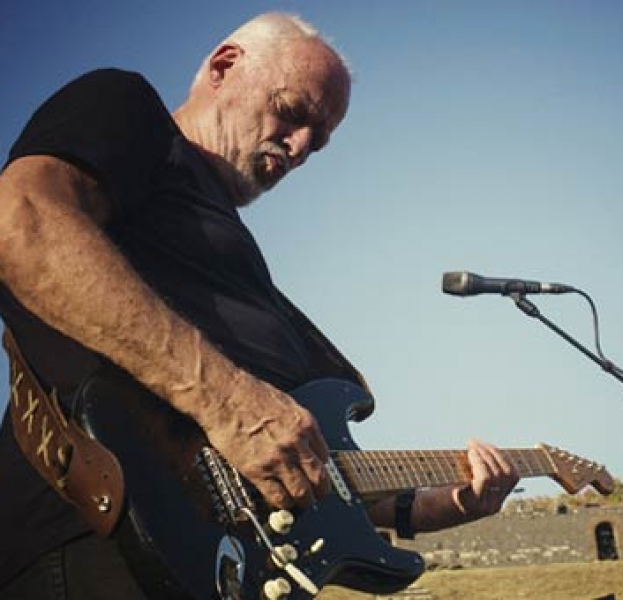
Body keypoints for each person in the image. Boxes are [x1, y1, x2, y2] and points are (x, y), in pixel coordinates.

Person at [0, 12, 519, 599]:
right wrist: (227, 400)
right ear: (224, 67)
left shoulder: (236, 262)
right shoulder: (129, 108)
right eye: (293, 112)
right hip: (96, 542)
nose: (300, 147)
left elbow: (315, 474)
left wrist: (451, 502)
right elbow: (24, 222)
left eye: (317, 142)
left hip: (219, 565)